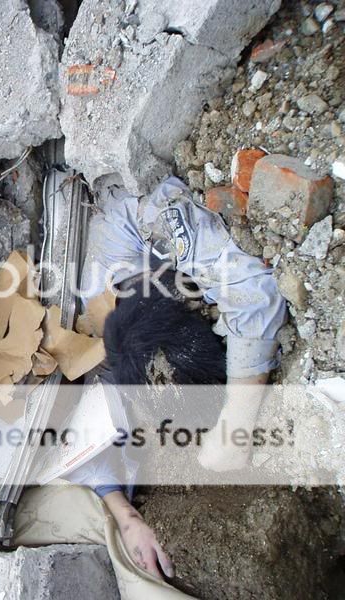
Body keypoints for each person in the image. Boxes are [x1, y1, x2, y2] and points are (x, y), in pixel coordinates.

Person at [66, 175, 287, 580]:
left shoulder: (156, 225)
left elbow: (255, 291)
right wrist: (126, 516)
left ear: (200, 315)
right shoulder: (108, 342)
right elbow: (77, 448)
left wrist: (236, 421)